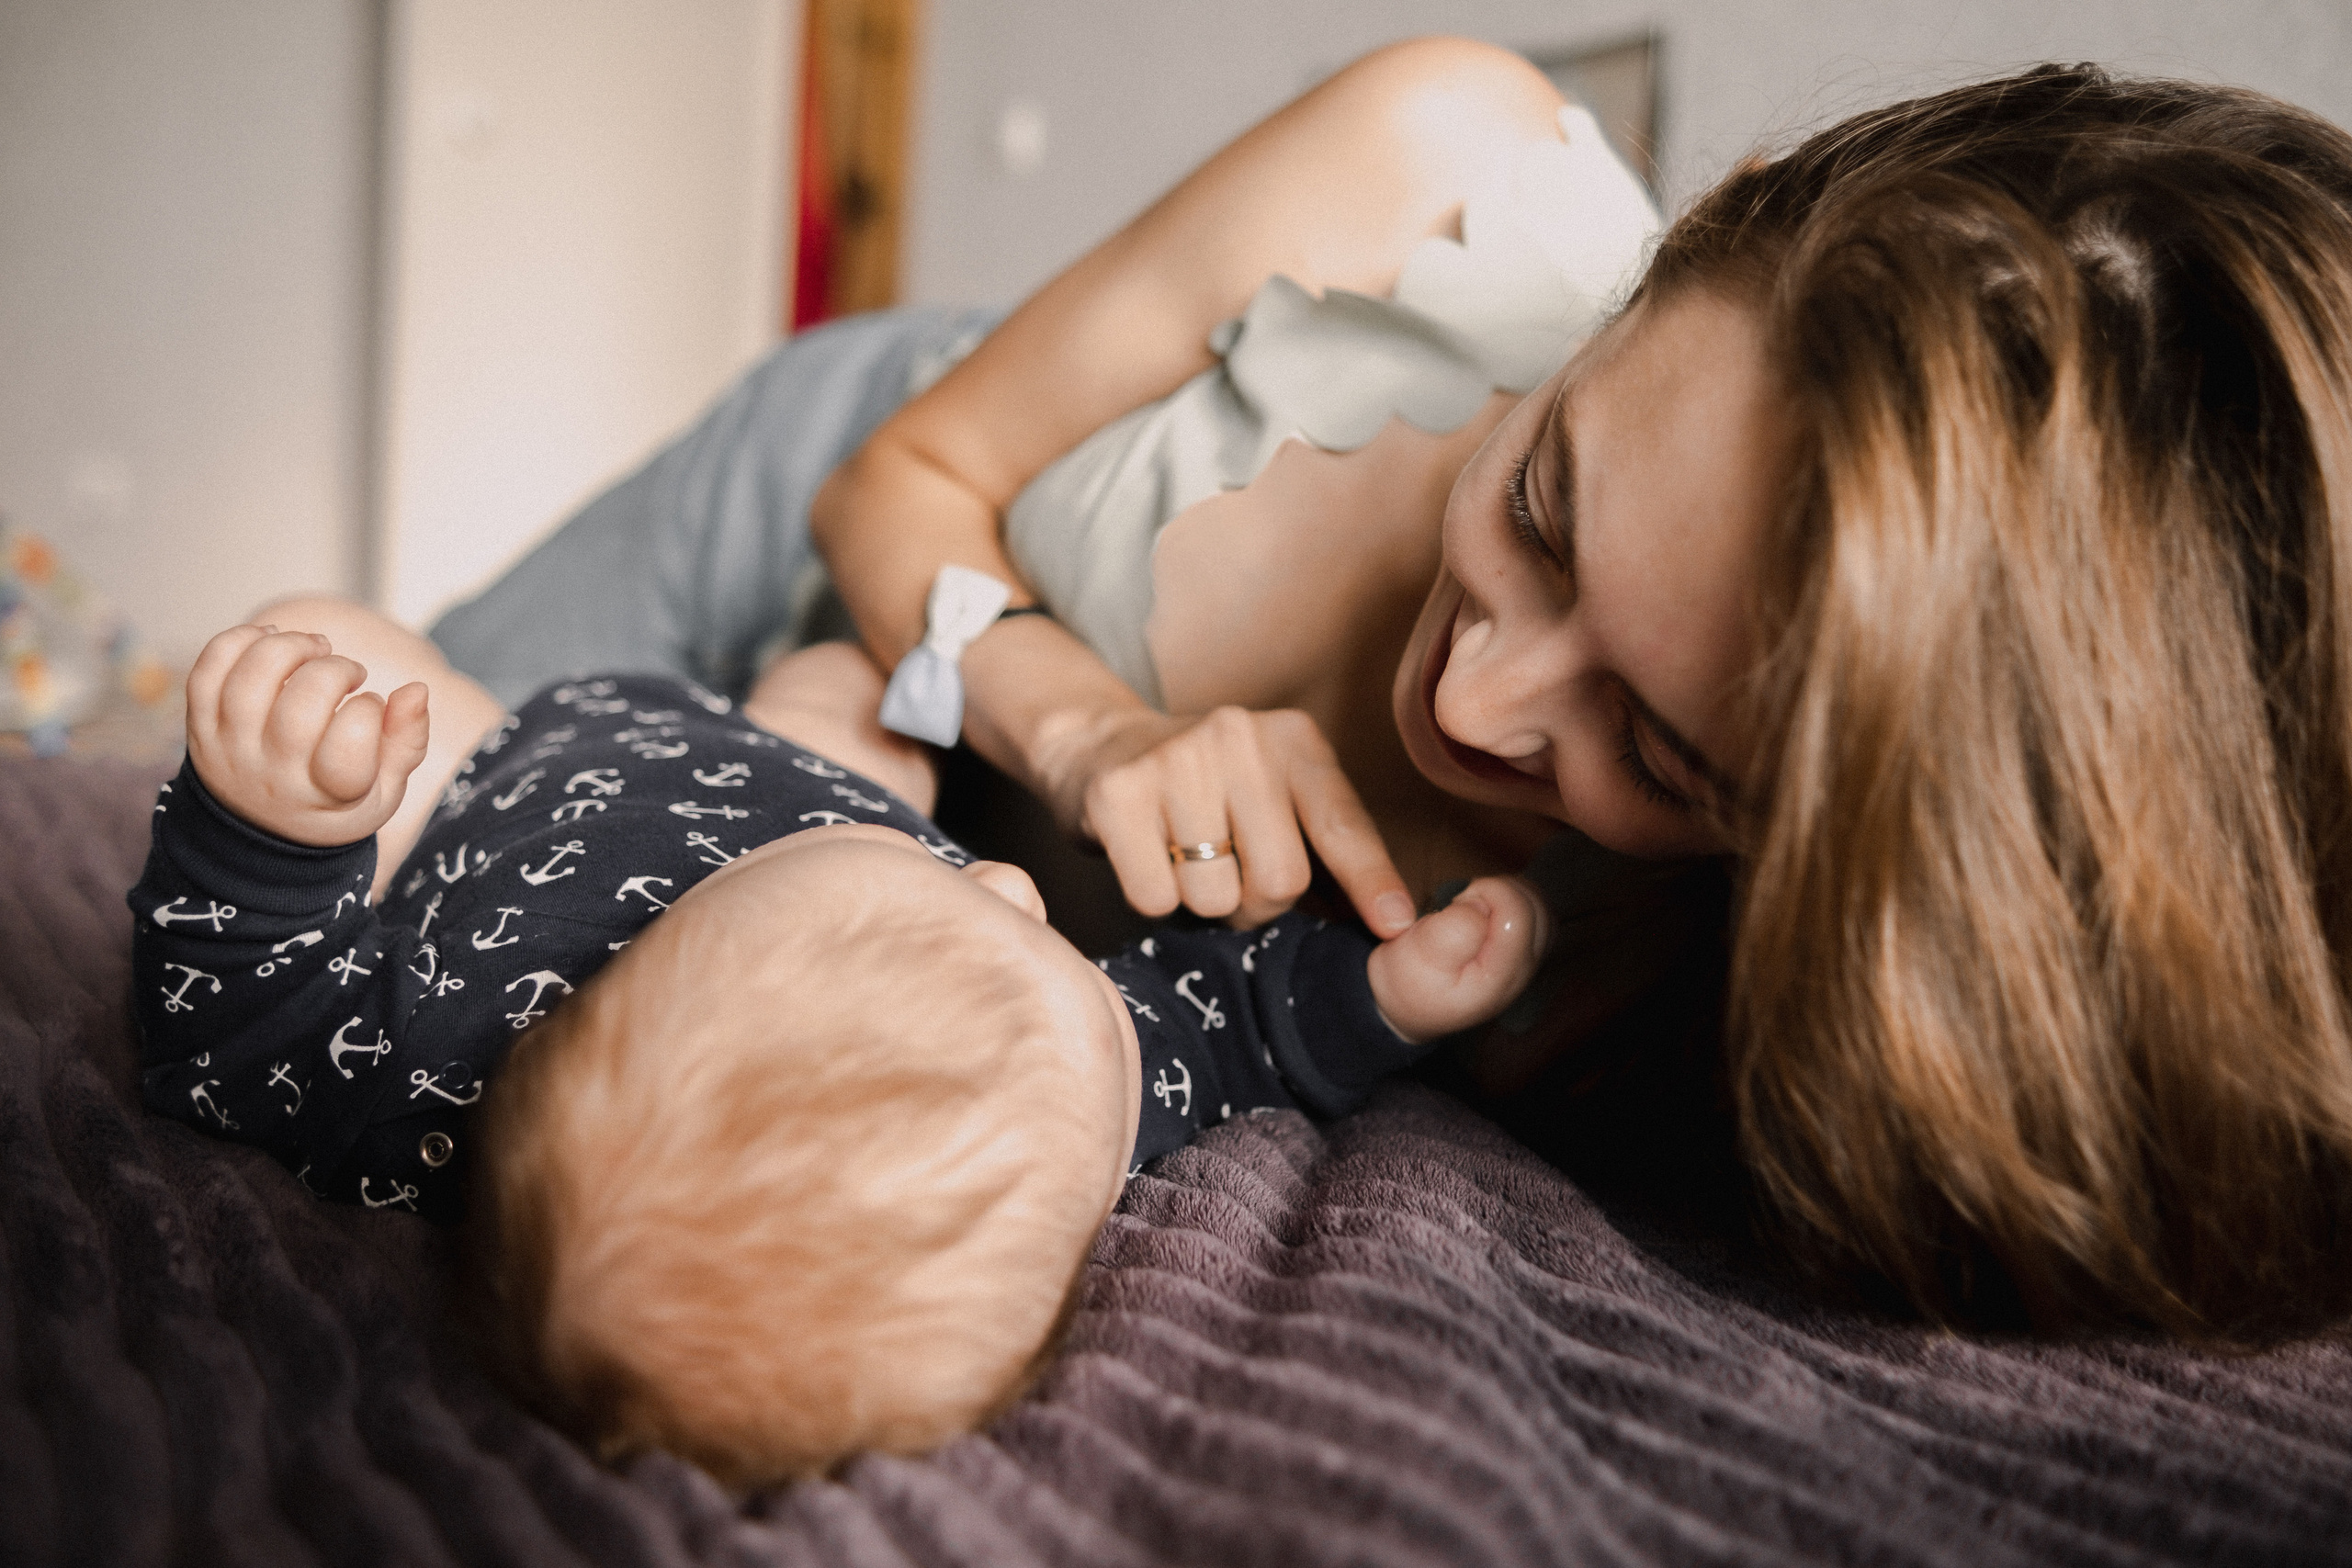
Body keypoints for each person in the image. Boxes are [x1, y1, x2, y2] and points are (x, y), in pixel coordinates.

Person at [435, 37, 2352, 1337]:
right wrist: (1088, 726)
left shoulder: (1704, 962)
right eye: (1541, 500)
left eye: (1660, 747)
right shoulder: (1440, 166)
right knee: (358, 789)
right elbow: (894, 486)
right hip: (811, 527)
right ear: (1704, 233)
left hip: (854, 850)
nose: (1489, 702)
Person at [128, 602, 1546, 1483]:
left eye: (963, 893)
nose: (1016, 884)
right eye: (1044, 942)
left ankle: (422, 736)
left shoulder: (422, 1074)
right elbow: (1228, 1030)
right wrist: (1386, 996)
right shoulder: (1076, 1089)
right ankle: (831, 761)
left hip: (499, 774)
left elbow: (229, 1033)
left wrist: (276, 827)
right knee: (854, 708)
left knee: (339, 651)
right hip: (803, 765)